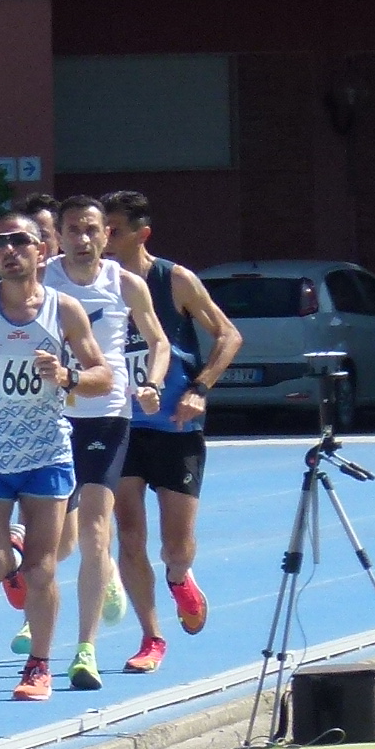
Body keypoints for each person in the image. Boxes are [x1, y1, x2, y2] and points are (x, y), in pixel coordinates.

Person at [0, 211, 111, 702]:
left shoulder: (64, 309)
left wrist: (68, 376)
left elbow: (102, 375)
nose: (9, 250)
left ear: (41, 250)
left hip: (46, 452)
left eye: (20, 241)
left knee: (42, 570)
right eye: (0, 243)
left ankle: (39, 666)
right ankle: (11, 548)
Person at [103, 191, 243, 673]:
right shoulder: (96, 284)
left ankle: (181, 577)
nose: (104, 238)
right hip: (122, 426)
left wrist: (200, 388)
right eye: (101, 228)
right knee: (129, 534)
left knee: (175, 547)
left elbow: (229, 334)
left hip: (176, 426)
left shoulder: (173, 280)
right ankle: (151, 636)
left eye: (114, 230)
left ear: (142, 234)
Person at [41, 195, 169, 690]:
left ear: (106, 235)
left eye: (92, 229)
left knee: (97, 530)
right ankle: (91, 582)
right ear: (59, 236)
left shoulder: (125, 283)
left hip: (106, 415)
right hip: (48, 416)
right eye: (73, 229)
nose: (83, 238)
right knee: (54, 541)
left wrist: (152, 383)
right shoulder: (41, 280)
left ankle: (85, 650)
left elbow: (157, 341)